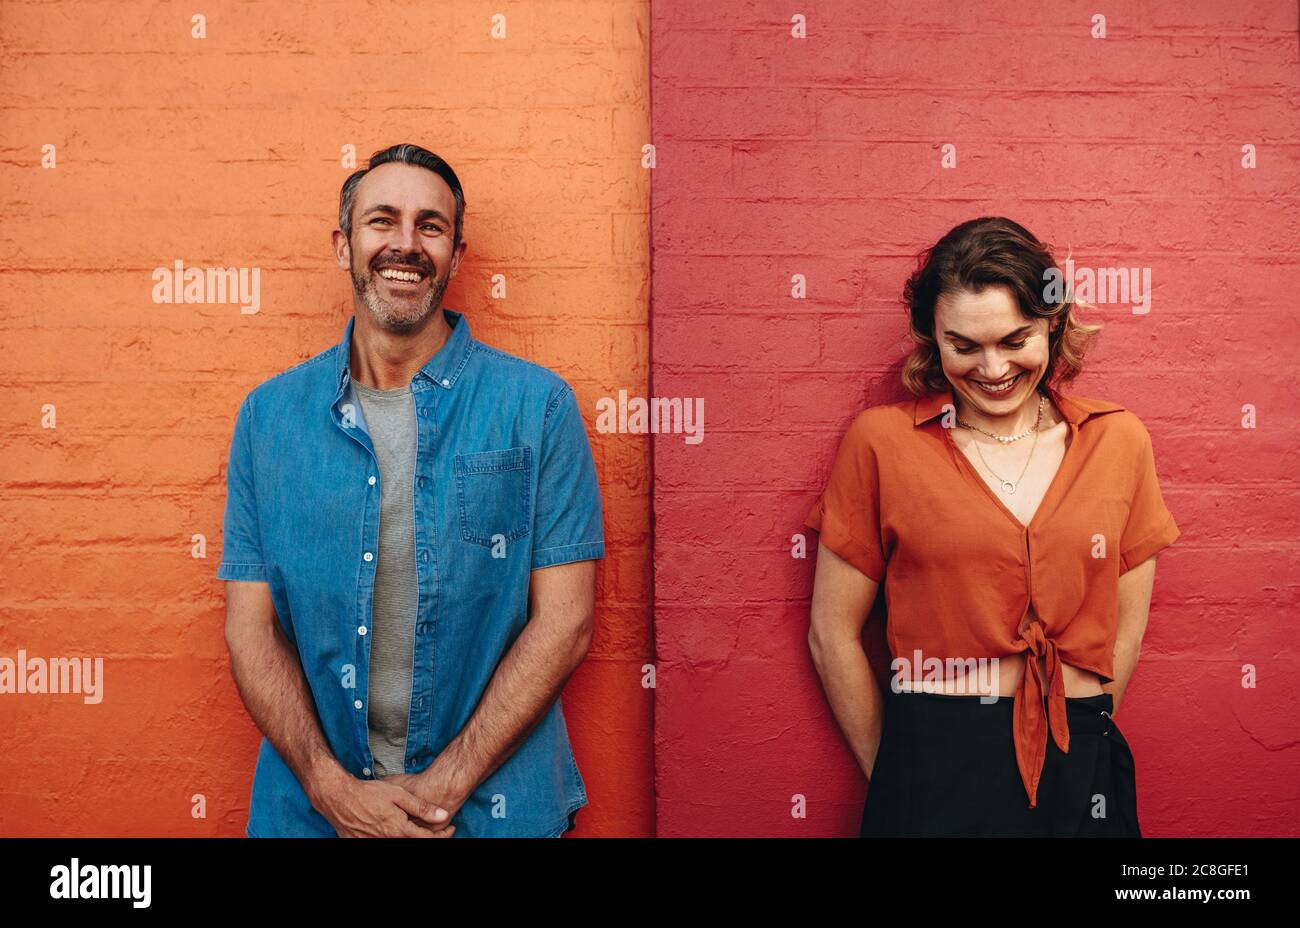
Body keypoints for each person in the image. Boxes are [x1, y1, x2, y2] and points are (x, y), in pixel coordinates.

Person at [217, 143, 604, 838]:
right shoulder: (268, 420)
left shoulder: (537, 408)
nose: (405, 244)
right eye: (382, 221)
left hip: (489, 811)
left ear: (457, 253)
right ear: (344, 245)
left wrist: (441, 790)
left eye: (431, 226)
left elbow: (566, 623)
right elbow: (252, 630)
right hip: (314, 815)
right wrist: (331, 791)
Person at [805, 216, 1179, 837]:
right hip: (934, 760)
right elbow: (832, 633)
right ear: (931, 337)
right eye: (965, 345)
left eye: (1015, 340)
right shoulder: (882, 443)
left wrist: (1082, 737)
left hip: (1080, 755)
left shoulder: (1118, 440)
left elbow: (1125, 632)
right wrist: (898, 775)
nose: (993, 367)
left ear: (1053, 325)